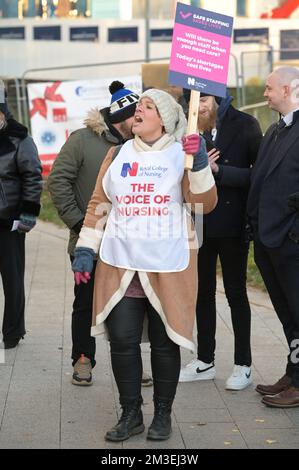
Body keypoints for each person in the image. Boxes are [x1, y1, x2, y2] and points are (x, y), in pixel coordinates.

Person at [72, 88, 217, 442]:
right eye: (140, 106)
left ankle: (163, 415)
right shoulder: (117, 153)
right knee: (121, 341)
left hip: (167, 264)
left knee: (165, 343)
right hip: (120, 263)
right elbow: (97, 202)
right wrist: (86, 248)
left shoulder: (179, 154)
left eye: (148, 107)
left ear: (164, 119)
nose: (139, 110)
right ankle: (131, 413)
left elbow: (204, 202)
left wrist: (197, 164)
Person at [48, 81, 152, 386]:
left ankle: (132, 363)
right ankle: (83, 359)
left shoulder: (141, 145)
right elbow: (58, 182)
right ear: (123, 118)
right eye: (137, 116)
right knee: (85, 303)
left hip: (129, 246)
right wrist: (81, 225)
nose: (141, 120)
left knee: (131, 304)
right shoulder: (83, 141)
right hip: (88, 245)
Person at [179, 90, 263, 390]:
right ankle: (204, 360)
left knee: (236, 293)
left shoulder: (246, 125)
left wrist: (218, 170)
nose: (197, 107)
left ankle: (243, 364)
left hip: (233, 223)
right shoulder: (186, 128)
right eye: (192, 102)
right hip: (199, 221)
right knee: (202, 293)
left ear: (216, 99)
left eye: (202, 100)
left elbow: (259, 176)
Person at [247, 66, 299, 408]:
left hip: (291, 241)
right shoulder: (276, 130)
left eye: (268, 88)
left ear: (289, 88)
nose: (264, 94)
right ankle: (293, 373)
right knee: (288, 315)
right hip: (268, 242)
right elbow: (260, 179)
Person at [0, 84, 42, 349]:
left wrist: (27, 215)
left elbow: (33, 177)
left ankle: (13, 331)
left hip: (8, 222)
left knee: (12, 280)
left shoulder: (20, 139)